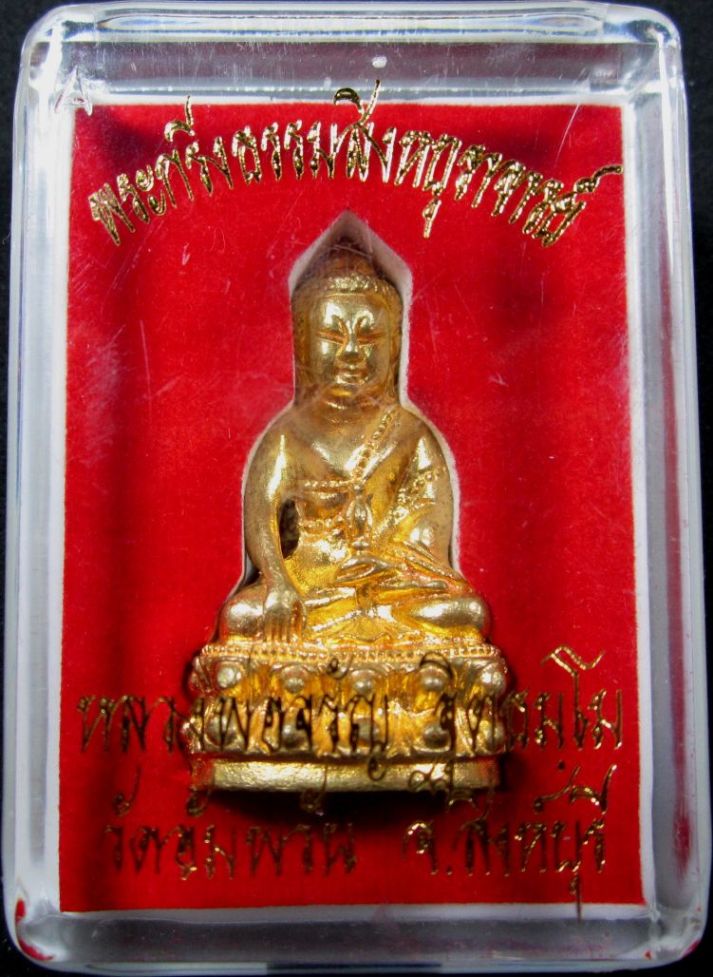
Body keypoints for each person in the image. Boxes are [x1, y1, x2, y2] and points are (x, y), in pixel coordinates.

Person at [219, 238, 491, 648]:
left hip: (390, 591)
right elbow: (262, 517)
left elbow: (427, 528)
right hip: (312, 589)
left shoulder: (410, 437)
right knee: (241, 617)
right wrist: (278, 582)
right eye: (332, 335)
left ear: (393, 347)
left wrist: (386, 565)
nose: (351, 353)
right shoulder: (288, 436)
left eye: (369, 339)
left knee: (467, 612)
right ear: (305, 344)